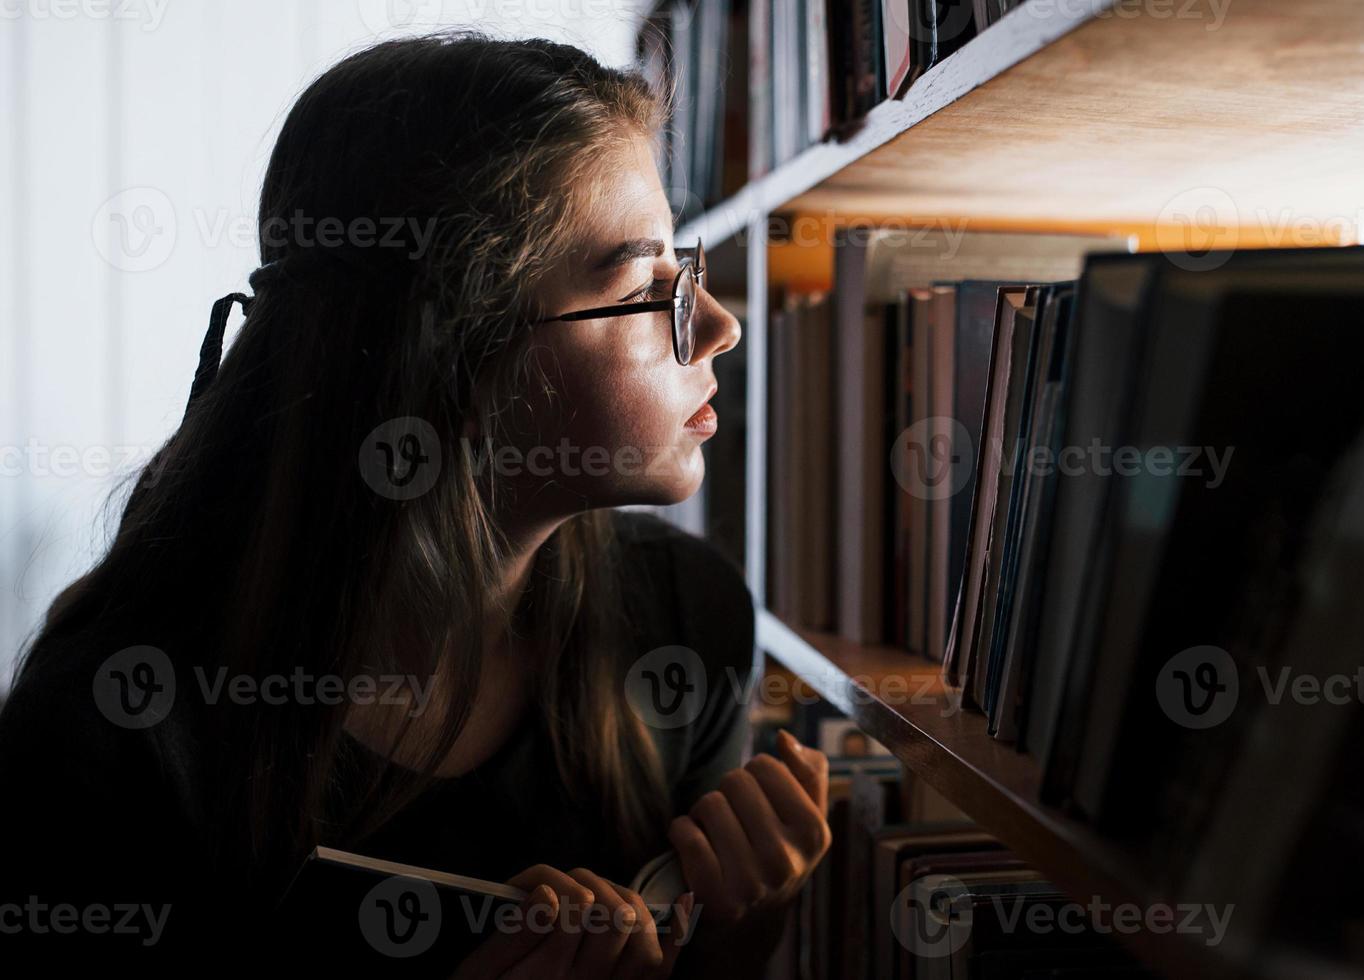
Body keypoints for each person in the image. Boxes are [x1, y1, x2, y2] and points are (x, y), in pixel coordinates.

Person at [0, 32, 829, 976]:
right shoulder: (114, 734)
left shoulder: (688, 628)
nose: (718, 324)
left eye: (689, 271)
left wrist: (742, 928)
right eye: (648, 288)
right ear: (450, 357)